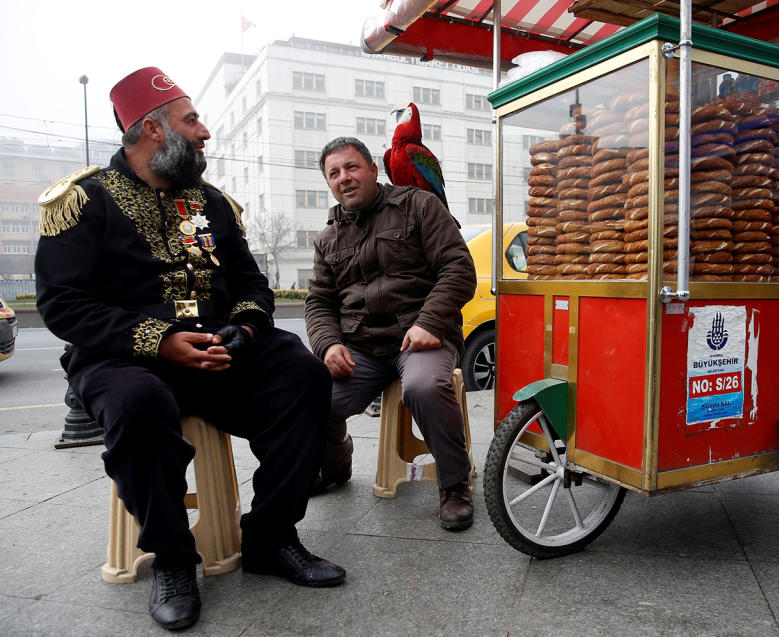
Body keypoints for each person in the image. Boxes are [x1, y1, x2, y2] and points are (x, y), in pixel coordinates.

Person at [34, 67, 345, 631]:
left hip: (219, 352)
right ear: (153, 129)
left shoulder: (212, 203)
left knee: (303, 373)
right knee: (136, 405)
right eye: (192, 120)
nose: (204, 133)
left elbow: (252, 286)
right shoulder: (84, 202)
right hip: (121, 358)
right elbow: (63, 306)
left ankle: (271, 538)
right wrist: (159, 341)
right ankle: (173, 560)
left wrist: (244, 331)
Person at [305, 137, 477, 530]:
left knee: (423, 387)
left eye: (351, 167)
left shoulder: (419, 205)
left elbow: (458, 269)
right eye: (334, 173)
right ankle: (334, 466)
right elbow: (318, 302)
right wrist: (327, 344)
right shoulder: (327, 238)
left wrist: (430, 323)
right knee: (311, 394)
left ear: (372, 169)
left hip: (420, 339)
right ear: (329, 183)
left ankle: (453, 485)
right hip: (362, 347)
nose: (344, 178)